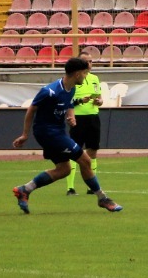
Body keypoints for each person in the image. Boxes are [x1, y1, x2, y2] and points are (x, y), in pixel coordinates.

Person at [11, 56, 122, 214]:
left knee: (64, 169)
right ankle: (102, 198)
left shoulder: (72, 88)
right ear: (77, 74)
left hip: (57, 130)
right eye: (84, 73)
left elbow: (69, 104)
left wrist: (71, 116)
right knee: (85, 160)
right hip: (47, 132)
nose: (86, 76)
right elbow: (31, 110)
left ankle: (25, 189)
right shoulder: (50, 91)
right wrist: (24, 134)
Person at [65, 65, 103, 195]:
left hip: (93, 118)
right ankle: (70, 188)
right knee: (74, 151)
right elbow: (67, 101)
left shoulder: (95, 78)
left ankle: (91, 188)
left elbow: (99, 97)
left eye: (92, 61)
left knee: (92, 151)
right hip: (77, 119)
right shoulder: (73, 80)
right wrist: (80, 100)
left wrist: (99, 101)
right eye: (87, 61)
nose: (90, 64)